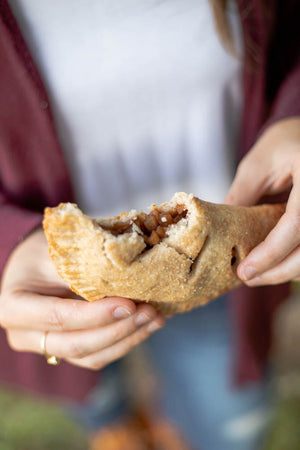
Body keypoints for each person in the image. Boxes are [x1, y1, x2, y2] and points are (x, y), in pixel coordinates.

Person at [0, 0, 299, 448]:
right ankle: (117, 427)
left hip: (229, 271)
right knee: (93, 394)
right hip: (50, 278)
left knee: (224, 421)